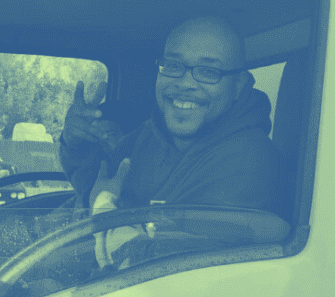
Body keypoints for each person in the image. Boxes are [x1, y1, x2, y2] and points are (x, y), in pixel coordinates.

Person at [59, 15, 291, 266]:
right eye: (173, 66)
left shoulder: (249, 161)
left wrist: (103, 208)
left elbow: (170, 269)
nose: (185, 83)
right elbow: (94, 189)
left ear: (239, 85)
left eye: (208, 71)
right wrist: (76, 145)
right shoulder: (146, 136)